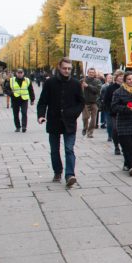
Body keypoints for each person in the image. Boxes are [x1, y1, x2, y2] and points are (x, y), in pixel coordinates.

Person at [36, 58, 84, 188]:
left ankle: (70, 175)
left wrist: (74, 113)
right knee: (54, 150)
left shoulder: (75, 83)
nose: (67, 71)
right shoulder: (50, 83)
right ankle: (57, 171)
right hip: (53, 120)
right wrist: (41, 115)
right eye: (64, 68)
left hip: (69, 121)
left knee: (69, 149)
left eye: (69, 69)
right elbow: (42, 101)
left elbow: (81, 102)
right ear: (59, 67)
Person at [111, 72, 132, 176]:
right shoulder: (118, 92)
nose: (131, 81)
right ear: (125, 80)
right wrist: (126, 108)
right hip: (124, 122)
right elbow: (114, 107)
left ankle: (128, 163)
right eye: (129, 79)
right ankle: (131, 166)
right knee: (127, 146)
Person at [6, 68, 35, 132]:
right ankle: (18, 127)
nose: (20, 74)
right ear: (16, 73)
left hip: (24, 99)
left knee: (24, 112)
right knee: (15, 114)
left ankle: (24, 127)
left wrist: (32, 99)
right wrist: (11, 94)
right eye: (18, 72)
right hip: (15, 99)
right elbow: (6, 89)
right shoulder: (11, 80)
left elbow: (31, 90)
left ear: (23, 73)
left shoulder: (27, 80)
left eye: (21, 72)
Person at [102, 71, 123, 155]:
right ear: (116, 77)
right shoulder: (110, 88)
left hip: (124, 111)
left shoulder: (127, 87)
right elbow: (106, 100)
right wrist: (109, 109)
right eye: (119, 76)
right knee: (115, 128)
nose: (121, 78)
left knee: (122, 130)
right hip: (113, 112)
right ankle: (116, 146)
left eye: (122, 76)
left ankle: (123, 145)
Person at [81, 67, 103, 138]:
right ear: (87, 73)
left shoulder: (97, 81)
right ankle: (85, 128)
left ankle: (90, 133)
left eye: (92, 72)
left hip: (94, 102)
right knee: (85, 117)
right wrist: (82, 86)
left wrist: (87, 86)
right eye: (90, 72)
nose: (91, 73)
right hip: (85, 102)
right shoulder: (83, 80)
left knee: (94, 119)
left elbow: (97, 90)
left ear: (94, 73)